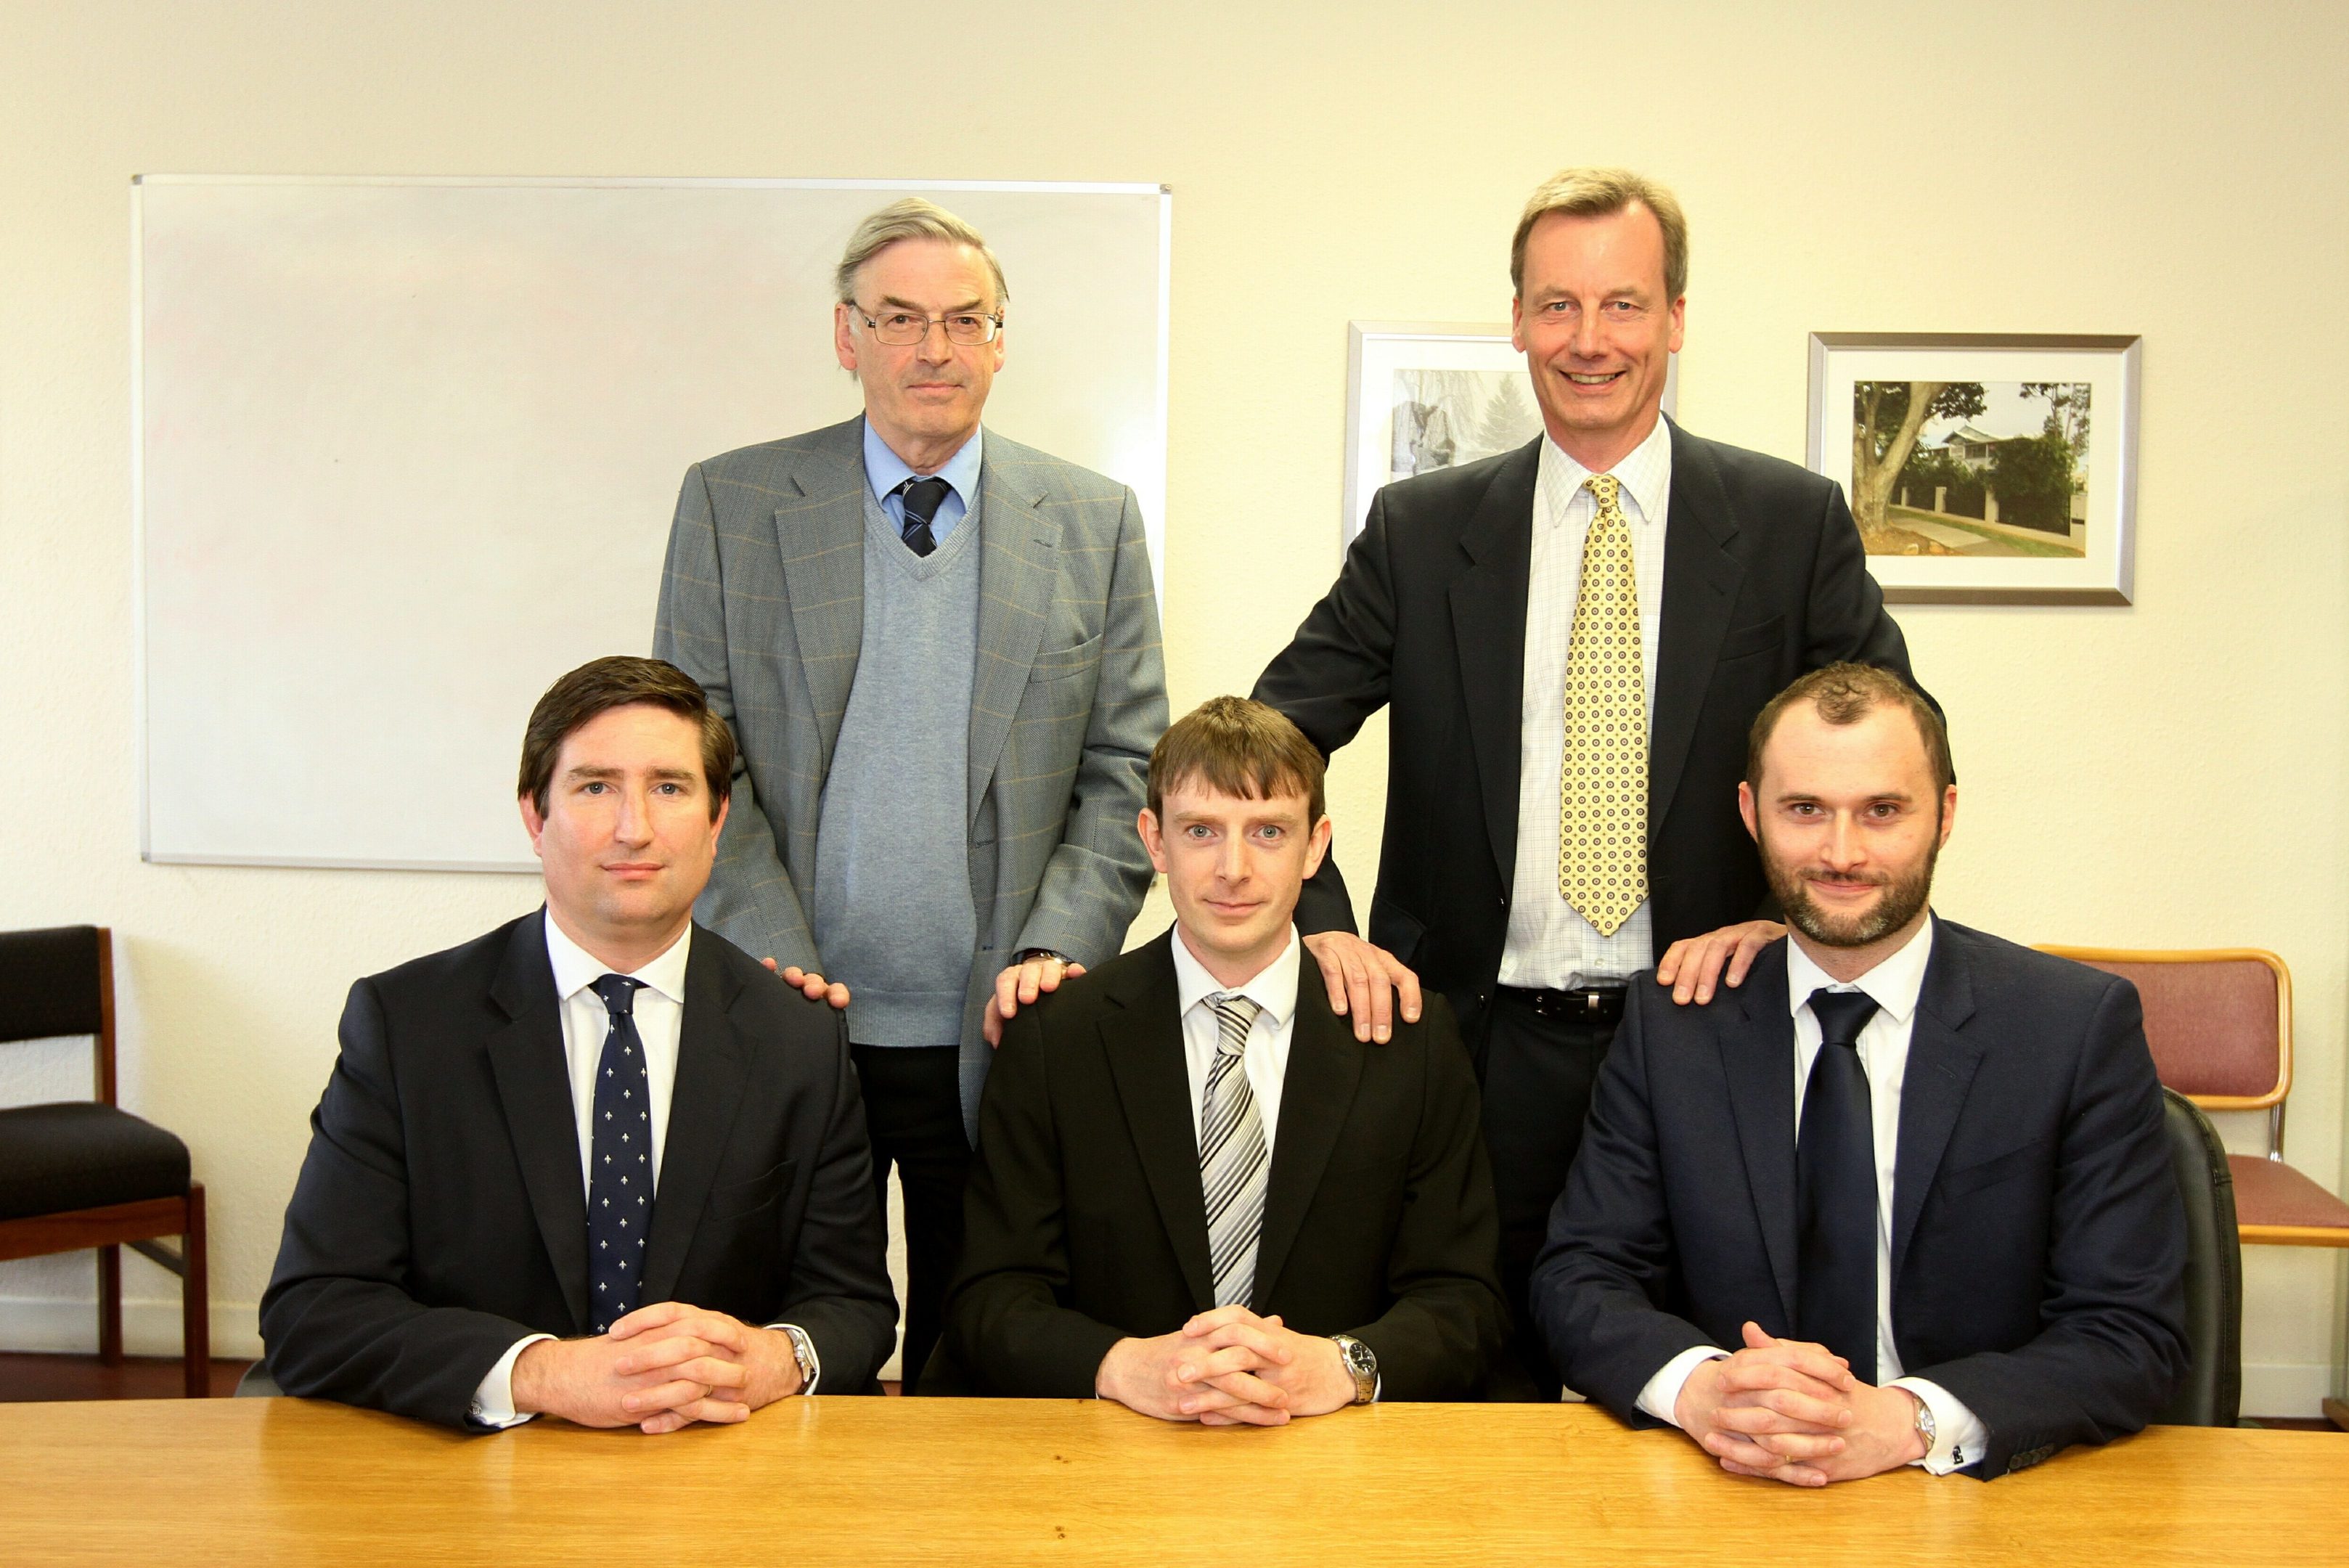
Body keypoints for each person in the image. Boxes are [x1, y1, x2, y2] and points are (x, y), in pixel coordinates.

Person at [1252, 167, 1927, 1393]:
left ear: (1676, 317)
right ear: (1515, 321)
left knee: (1715, 1385)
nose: (1589, 339)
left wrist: (1790, 917)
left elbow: (1892, 748)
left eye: (1623, 304)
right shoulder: (1421, 530)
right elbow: (1271, 737)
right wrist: (1318, 924)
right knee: (1466, 1390)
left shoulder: (1787, 521)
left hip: (1715, 1037)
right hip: (1476, 1049)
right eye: (1556, 306)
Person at [650, 198, 1169, 1392]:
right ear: (847, 335)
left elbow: (1124, 764)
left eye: (962, 320)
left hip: (996, 1026)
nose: (932, 348)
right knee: (761, 1352)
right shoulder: (733, 506)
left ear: (999, 339)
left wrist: (1058, 945)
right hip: (793, 1017)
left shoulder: (1090, 521)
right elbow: (690, 759)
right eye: (899, 319)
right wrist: (774, 953)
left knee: (977, 1358)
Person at [1531, 663, 2186, 1482]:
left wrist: (1908, 1420)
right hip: (1730, 1480)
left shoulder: (2071, 1027)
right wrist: (1699, 1391)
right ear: (1750, 814)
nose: (1841, 853)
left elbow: (2129, 1333)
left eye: (1881, 811)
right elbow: (1580, 1277)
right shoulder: (1673, 1027)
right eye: (1804, 810)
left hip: (1978, 1492)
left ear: (1944, 814)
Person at [261, 657, 896, 1431]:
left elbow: (853, 1305)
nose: (634, 827)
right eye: (595, 787)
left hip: (714, 1468)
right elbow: (315, 1307)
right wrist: (541, 1373)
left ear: (717, 818)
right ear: (534, 815)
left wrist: (777, 1357)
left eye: (669, 787)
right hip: (473, 1475)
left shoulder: (798, 1036)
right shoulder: (407, 1025)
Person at [935, 697, 1512, 1418]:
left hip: (1338, 1467)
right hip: (1112, 1462)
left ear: (1315, 845)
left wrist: (1339, 1367)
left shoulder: (1408, 1041)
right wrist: (1122, 1367)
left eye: (1267, 831)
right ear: (1153, 841)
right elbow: (988, 1297)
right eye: (1200, 831)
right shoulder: (1057, 1039)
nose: (1232, 869)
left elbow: (1465, 1302)